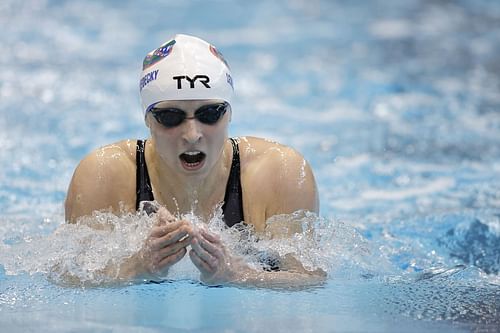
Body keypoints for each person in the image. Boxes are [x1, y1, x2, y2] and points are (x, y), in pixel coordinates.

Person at [65, 34, 323, 287]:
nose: (192, 135)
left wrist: (236, 274)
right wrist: (137, 267)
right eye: (170, 117)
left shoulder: (279, 172)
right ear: (147, 119)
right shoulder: (103, 174)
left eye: (209, 114)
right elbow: (70, 277)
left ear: (229, 113)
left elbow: (310, 281)